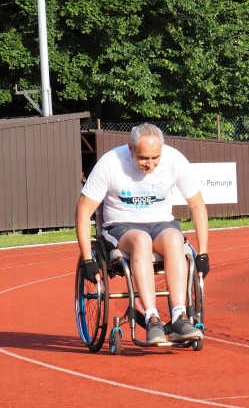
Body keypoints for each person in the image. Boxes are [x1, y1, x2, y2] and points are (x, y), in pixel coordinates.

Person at [75, 123, 210, 345]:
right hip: (121, 226)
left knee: (175, 239)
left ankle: (179, 316)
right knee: (141, 240)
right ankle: (152, 318)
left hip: (161, 224)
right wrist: (88, 259)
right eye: (143, 158)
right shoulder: (110, 163)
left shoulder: (174, 160)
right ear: (130, 148)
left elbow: (197, 207)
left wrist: (203, 253)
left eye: (155, 157)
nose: (150, 164)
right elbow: (82, 212)